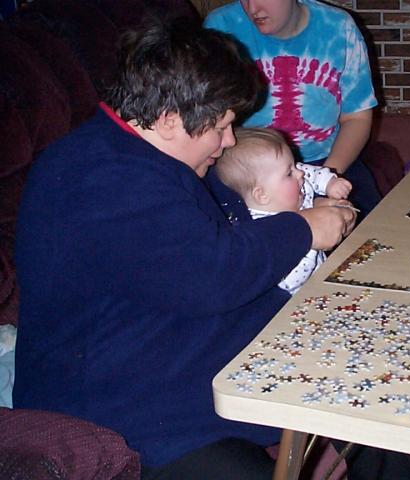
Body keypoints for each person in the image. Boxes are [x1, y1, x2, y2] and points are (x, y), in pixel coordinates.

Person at [12, 17, 355, 479]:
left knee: (357, 364)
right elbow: (212, 276)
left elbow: (219, 238)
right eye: (222, 127)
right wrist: (303, 229)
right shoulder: (103, 180)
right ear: (169, 119)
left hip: (162, 333)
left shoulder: (141, 152)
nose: (230, 141)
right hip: (107, 395)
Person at [203, 0, 382, 219]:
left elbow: (357, 118)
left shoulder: (339, 27)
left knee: (372, 223)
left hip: (328, 159)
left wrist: (324, 180)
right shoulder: (221, 26)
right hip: (248, 170)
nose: (252, 8)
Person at [216, 127, 353, 294]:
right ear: (262, 195)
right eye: (289, 173)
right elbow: (288, 283)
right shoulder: (260, 232)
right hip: (296, 299)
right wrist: (311, 239)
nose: (300, 173)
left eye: (295, 166)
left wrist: (328, 183)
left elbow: (308, 172)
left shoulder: (289, 193)